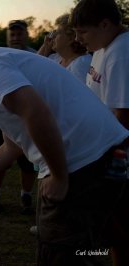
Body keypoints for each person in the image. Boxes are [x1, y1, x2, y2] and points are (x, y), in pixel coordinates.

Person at [0, 37, 129, 266]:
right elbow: (12, 146)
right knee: (108, 242)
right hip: (107, 153)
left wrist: (58, 176)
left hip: (80, 163)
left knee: (61, 256)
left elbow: (35, 111)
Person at [71, 0, 129, 264]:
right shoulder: (102, 48)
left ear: (105, 24)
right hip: (102, 149)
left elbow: (123, 117)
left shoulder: (122, 52)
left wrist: (98, 158)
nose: (77, 38)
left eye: (82, 31)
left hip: (114, 154)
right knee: (106, 224)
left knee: (111, 222)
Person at [0, 19, 37, 214]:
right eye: (12, 34)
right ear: (7, 37)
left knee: (28, 162)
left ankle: (26, 195)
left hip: (26, 120)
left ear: (26, 35)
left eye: (19, 34)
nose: (16, 37)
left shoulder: (35, 56)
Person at [38, 13, 92, 84]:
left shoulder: (81, 63)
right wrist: (45, 46)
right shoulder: (55, 58)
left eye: (57, 33)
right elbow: (34, 68)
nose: (53, 36)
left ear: (70, 39)